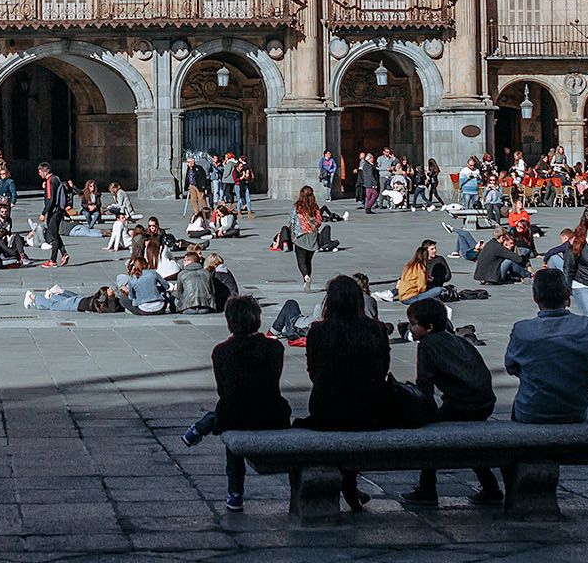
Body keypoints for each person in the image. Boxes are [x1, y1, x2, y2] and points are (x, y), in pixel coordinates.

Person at [296, 276, 426, 513]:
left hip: (327, 407)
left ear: (329, 301)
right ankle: (349, 485)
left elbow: (314, 373)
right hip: (370, 407)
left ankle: (346, 486)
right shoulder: (375, 329)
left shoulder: (318, 331)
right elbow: (383, 369)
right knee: (355, 414)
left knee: (339, 421)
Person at [180, 295, 291, 512]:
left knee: (230, 421)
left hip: (234, 415)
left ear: (229, 321)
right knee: (243, 408)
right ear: (257, 319)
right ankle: (203, 425)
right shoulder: (274, 349)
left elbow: (223, 390)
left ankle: (235, 492)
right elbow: (273, 381)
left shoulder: (220, 351)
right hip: (270, 414)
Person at [400, 297, 503, 507]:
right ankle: (490, 485)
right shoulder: (457, 340)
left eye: (413, 324)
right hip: (483, 401)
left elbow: (425, 387)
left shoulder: (427, 345)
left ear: (427, 327)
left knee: (432, 440)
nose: (411, 329)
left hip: (463, 404)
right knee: (470, 444)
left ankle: (427, 488)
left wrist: (423, 413)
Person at [505, 269, 588, 422]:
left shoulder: (522, 330)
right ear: (568, 295)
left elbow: (511, 366)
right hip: (573, 411)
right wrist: (585, 381)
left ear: (535, 297)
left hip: (531, 410)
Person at [38, 163, 70, 267]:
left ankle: (53, 260)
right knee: (54, 233)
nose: (39, 174)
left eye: (40, 172)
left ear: (44, 171)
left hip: (54, 211)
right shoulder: (56, 179)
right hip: (59, 210)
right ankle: (64, 253)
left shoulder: (49, 181)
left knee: (53, 235)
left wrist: (44, 212)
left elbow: (50, 199)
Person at [291, 187, 322, 290]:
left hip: (300, 236)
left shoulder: (297, 207)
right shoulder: (315, 207)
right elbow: (319, 222)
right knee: (308, 260)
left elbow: (292, 222)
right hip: (312, 237)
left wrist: (292, 237)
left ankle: (306, 277)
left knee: (301, 260)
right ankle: (307, 280)